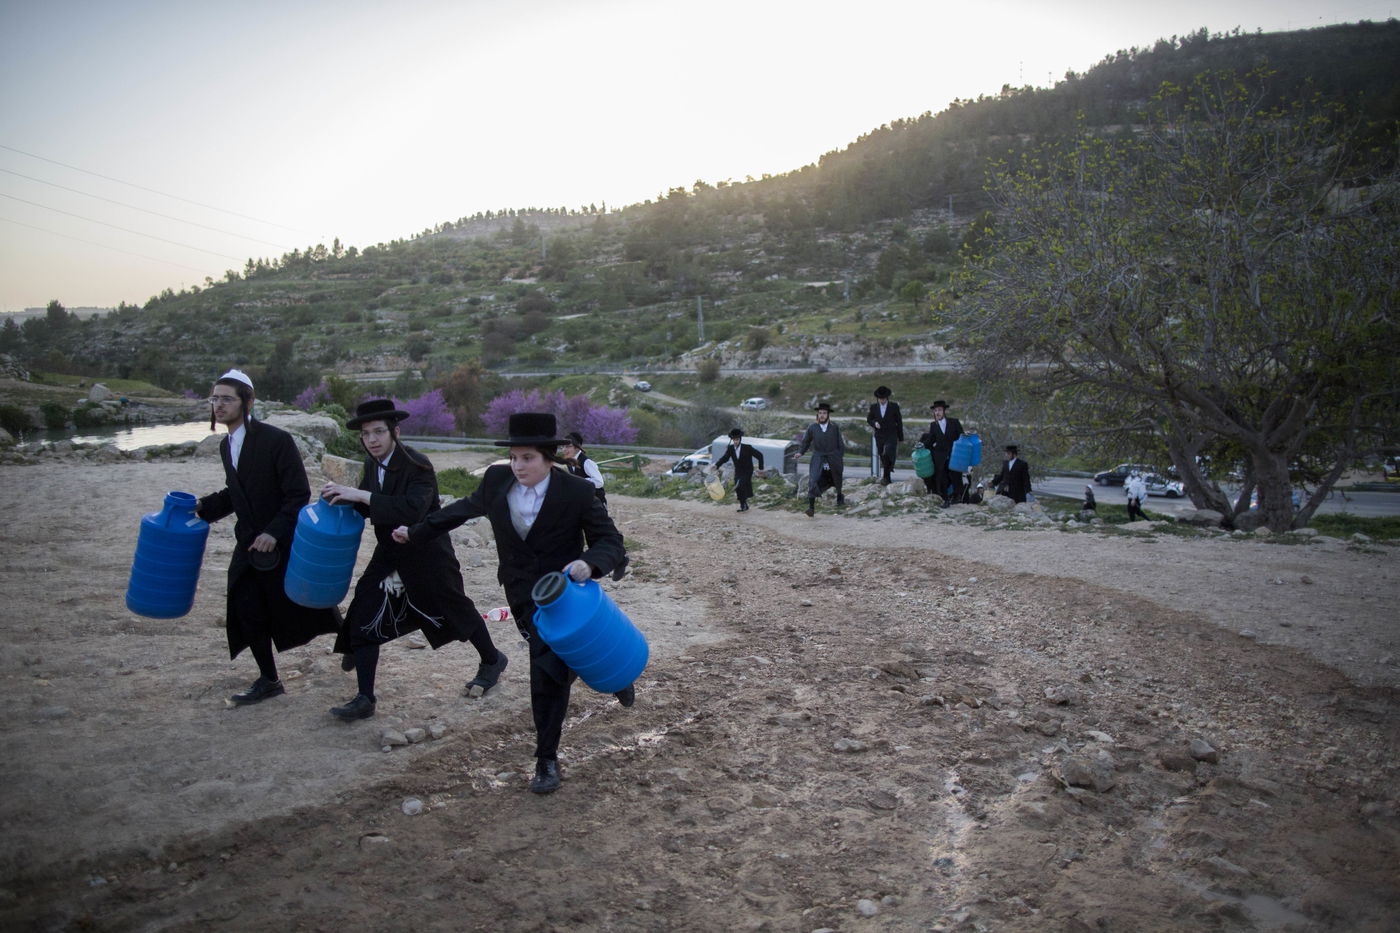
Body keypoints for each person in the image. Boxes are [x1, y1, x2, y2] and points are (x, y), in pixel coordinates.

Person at [393, 412, 628, 795]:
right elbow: (458, 511)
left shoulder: (577, 492)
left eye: (528, 458)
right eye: (514, 457)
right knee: (553, 664)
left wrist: (590, 562)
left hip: (565, 595)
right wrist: (415, 532)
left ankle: (566, 733)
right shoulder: (496, 480)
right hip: (522, 596)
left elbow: (611, 541)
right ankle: (596, 692)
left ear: (549, 457)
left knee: (552, 665)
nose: (518, 466)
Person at [320, 399, 507, 721]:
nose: (372, 439)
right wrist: (341, 499)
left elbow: (412, 510)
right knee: (364, 608)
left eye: (379, 432)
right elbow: (371, 508)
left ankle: (492, 659)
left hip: (428, 553)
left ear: (395, 431)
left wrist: (360, 495)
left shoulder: (418, 464)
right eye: (366, 434)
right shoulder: (373, 465)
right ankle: (365, 696)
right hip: (389, 553)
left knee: (455, 607)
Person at [194, 369, 339, 706]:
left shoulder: (277, 440)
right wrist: (202, 507)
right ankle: (269, 680)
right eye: (215, 398)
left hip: (282, 542)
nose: (218, 404)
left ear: (248, 401)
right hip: (248, 544)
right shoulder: (226, 445)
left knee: (310, 605)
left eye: (227, 398)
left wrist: (274, 532)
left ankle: (353, 645)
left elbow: (298, 493)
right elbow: (236, 493)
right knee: (247, 609)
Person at [799, 401, 845, 517]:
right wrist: (800, 452)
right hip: (818, 457)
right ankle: (811, 508)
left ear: (828, 415)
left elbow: (841, 444)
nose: (822, 415)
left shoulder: (834, 427)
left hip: (833, 457)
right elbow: (806, 442)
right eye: (820, 413)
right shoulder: (812, 427)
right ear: (817, 415)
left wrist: (838, 457)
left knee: (836, 478)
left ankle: (840, 497)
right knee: (813, 479)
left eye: (824, 413)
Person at [918, 400, 963, 506]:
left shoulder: (954, 422)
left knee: (955, 476)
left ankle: (957, 496)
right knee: (941, 477)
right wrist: (922, 445)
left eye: (939, 410)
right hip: (941, 456)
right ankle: (945, 499)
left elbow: (961, 437)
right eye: (935, 410)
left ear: (944, 411)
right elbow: (931, 439)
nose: (937, 412)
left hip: (954, 454)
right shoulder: (933, 425)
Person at [711, 427, 765, 511]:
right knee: (738, 487)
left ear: (740, 439)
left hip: (748, 470)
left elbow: (760, 455)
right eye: (734, 439)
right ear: (732, 440)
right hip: (738, 470)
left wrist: (761, 469)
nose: (736, 441)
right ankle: (743, 504)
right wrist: (717, 465)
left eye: (737, 439)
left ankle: (744, 503)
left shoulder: (747, 447)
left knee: (741, 484)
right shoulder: (730, 448)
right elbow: (725, 458)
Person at [865, 386, 904, 486]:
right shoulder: (874, 407)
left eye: (883, 398)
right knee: (882, 456)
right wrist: (874, 423)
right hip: (880, 435)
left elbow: (899, 421)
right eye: (880, 398)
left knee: (889, 452)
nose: (882, 400)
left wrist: (900, 437)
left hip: (891, 434)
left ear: (887, 398)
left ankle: (885, 476)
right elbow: (869, 419)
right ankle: (887, 477)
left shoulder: (894, 406)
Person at [561, 431, 606, 505]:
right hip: (583, 502)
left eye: (568, 446)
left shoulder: (587, 462)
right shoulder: (569, 461)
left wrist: (579, 481)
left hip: (597, 504)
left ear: (577, 447)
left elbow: (600, 482)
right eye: (562, 446)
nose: (564, 449)